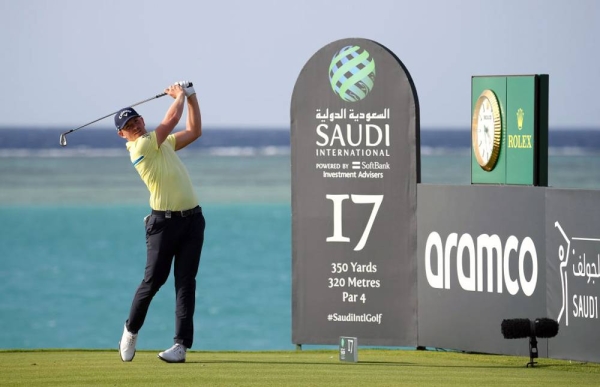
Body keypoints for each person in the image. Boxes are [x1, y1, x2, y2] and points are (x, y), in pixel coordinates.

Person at [116, 81, 205, 363]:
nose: (136, 126)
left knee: (185, 283)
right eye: (129, 125)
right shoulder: (140, 147)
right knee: (153, 282)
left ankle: (180, 346)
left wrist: (191, 98)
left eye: (137, 120)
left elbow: (194, 131)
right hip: (163, 225)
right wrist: (179, 96)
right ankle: (131, 330)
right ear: (123, 135)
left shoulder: (162, 143)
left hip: (193, 220)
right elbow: (171, 119)